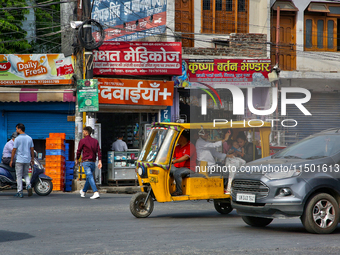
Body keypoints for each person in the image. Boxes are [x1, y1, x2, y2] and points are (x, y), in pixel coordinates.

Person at [76, 126, 102, 199]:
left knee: (89, 176)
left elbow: (79, 151)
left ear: (86, 132)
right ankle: (83, 191)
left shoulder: (82, 141)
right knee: (88, 177)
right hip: (93, 163)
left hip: (86, 162)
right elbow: (99, 152)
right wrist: (100, 161)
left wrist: (77, 159)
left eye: (84, 131)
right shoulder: (95, 141)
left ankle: (95, 192)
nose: (83, 132)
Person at [10, 123, 34, 198]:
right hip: (27, 160)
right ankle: (28, 186)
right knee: (26, 174)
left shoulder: (17, 139)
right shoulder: (29, 138)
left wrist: (11, 160)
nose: (16, 130)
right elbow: (32, 149)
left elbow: (14, 150)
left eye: (17, 129)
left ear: (20, 129)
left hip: (19, 160)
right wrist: (32, 159)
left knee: (19, 176)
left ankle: (20, 192)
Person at [170, 130, 197, 196]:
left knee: (177, 173)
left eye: (179, 137)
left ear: (184, 137)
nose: (178, 139)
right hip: (178, 167)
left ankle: (179, 191)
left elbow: (185, 157)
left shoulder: (191, 146)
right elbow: (170, 156)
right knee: (167, 170)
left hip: (189, 168)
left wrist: (175, 161)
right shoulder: (177, 147)